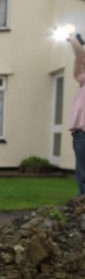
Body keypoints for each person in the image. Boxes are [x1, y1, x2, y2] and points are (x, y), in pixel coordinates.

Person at [67, 33, 85, 195]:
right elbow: (77, 71)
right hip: (79, 135)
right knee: (81, 173)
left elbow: (82, 58)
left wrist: (73, 40)